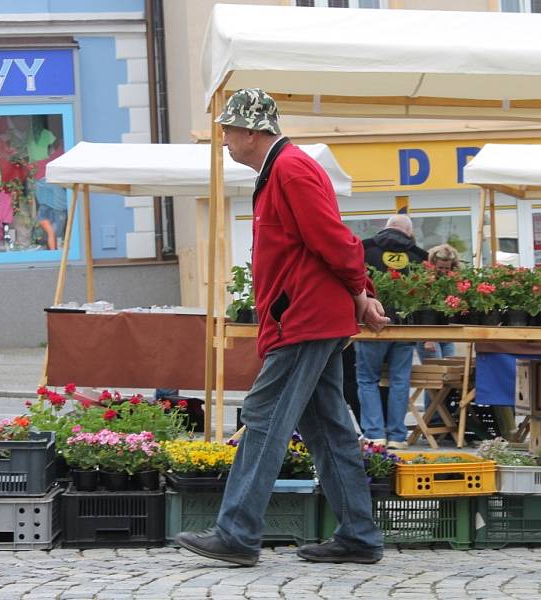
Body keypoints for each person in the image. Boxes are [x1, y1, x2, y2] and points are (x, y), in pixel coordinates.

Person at [174, 89, 389, 567]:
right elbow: (319, 242)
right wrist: (359, 293)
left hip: (304, 320)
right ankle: (359, 535)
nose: (225, 141)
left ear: (252, 132)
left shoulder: (289, 169)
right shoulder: (282, 170)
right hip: (306, 316)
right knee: (329, 430)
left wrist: (362, 290)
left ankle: (236, 532)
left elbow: (333, 239)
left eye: (228, 131)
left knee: (264, 419)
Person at [355, 215, 426, 449]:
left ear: (386, 228)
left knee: (367, 379)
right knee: (400, 381)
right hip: (406, 326)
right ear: (409, 232)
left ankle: (375, 434)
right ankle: (397, 436)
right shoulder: (419, 255)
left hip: (372, 324)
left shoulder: (365, 249)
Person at [416, 243, 459, 363]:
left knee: (449, 369)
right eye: (440, 268)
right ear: (432, 265)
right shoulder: (425, 282)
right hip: (429, 334)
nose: (443, 271)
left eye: (447, 268)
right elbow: (423, 310)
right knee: (436, 373)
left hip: (446, 333)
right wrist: (427, 338)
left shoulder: (452, 282)